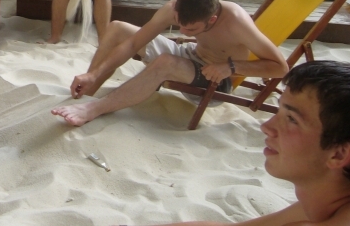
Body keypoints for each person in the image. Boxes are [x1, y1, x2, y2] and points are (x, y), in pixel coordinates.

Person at [141, 61, 350, 226]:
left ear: (339, 154)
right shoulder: (318, 202)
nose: (266, 127)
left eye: (292, 119)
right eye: (279, 111)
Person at [52, 0, 289, 126]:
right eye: (179, 24)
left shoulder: (236, 22)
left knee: (165, 62)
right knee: (117, 29)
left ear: (213, 19)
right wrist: (94, 73)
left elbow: (280, 67)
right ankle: (87, 93)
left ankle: (94, 109)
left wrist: (231, 67)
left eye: (192, 29)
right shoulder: (175, 7)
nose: (183, 31)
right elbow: (134, 42)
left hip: (215, 79)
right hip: (188, 55)